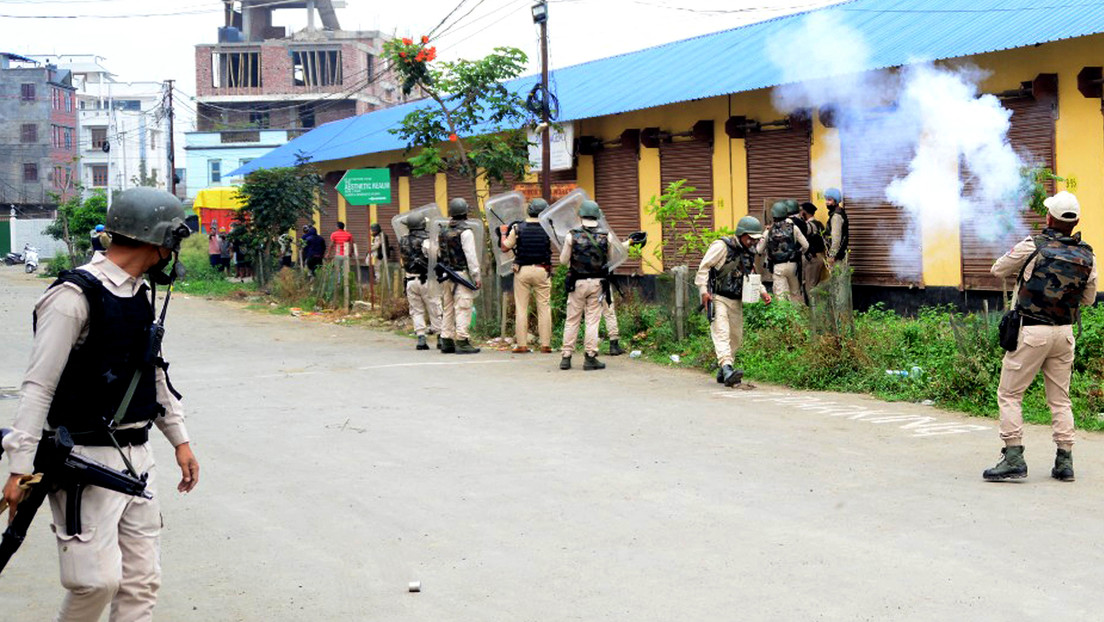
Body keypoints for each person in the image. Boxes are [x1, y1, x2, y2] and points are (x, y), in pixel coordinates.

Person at [2, 187, 199, 621]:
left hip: (138, 457)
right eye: (171, 241)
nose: (172, 252)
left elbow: (152, 372)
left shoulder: (138, 295)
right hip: (82, 460)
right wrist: (19, 466)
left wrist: (180, 440)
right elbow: (37, 386)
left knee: (141, 583)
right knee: (95, 582)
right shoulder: (72, 298)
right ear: (156, 240)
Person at [983, 191, 1097, 483]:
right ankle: (1064, 462)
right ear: (1075, 222)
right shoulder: (1087, 254)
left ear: (1049, 218)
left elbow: (997, 270)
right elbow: (1088, 299)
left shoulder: (1033, 245)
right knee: (1060, 400)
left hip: (1032, 332)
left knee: (1009, 394)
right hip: (1065, 334)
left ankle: (1013, 458)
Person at [696, 215, 773, 387]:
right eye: (750, 239)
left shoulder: (748, 252)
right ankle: (728, 367)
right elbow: (704, 267)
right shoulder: (721, 246)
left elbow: (751, 274)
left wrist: (762, 292)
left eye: (755, 239)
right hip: (718, 297)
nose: (753, 242)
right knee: (721, 332)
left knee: (736, 337)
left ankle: (723, 369)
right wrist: (703, 291)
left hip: (736, 299)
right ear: (742, 234)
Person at [558, 200, 621, 371]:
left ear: (581, 215)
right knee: (592, 321)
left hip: (577, 283)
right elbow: (610, 259)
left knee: (572, 320)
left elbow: (563, 261)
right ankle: (590, 357)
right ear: (597, 215)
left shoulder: (572, 235)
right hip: (598, 283)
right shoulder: (605, 236)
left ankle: (566, 357)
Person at [502, 198, 554, 354]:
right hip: (542, 270)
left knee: (522, 308)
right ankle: (545, 345)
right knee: (544, 307)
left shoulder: (517, 228)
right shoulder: (548, 228)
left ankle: (522, 345)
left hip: (522, 271)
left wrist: (504, 232)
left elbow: (505, 247)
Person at [437, 198, 482, 354]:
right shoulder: (466, 232)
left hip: (445, 275)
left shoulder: (442, 231)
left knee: (448, 308)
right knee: (463, 307)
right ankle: (462, 341)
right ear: (465, 213)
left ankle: (446, 340)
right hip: (460, 275)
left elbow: (438, 253)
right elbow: (471, 256)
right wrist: (476, 277)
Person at [399, 212, 443, 350]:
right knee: (435, 308)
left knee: (416, 310)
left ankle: (421, 338)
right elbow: (436, 257)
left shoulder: (403, 240)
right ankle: (440, 337)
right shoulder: (427, 240)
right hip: (427, 280)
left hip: (410, 280)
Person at [757, 200, 809, 304]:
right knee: (795, 294)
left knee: (781, 297)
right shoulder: (794, 228)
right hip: (793, 265)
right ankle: (798, 319)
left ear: (773, 215)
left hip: (778, 268)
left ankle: (785, 319)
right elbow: (806, 245)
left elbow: (759, 250)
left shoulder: (768, 231)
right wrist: (798, 253)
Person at [800, 202, 827, 291]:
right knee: (813, 284)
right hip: (819, 257)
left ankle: (813, 305)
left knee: (810, 286)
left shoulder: (809, 226)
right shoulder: (819, 224)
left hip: (813, 258)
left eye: (801, 211)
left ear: (805, 212)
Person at [824, 188, 849, 269]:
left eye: (829, 200)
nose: (827, 202)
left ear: (836, 201)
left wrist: (832, 255)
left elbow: (836, 238)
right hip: (840, 254)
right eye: (826, 199)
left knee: (837, 280)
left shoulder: (836, 216)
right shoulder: (839, 212)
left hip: (837, 256)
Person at [328, 221, 355, 287]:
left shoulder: (334, 234)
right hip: (346, 255)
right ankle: (346, 283)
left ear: (337, 227)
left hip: (338, 254)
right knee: (346, 269)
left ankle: (338, 283)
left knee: (337, 269)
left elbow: (331, 244)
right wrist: (351, 252)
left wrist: (328, 253)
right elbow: (352, 244)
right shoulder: (348, 234)